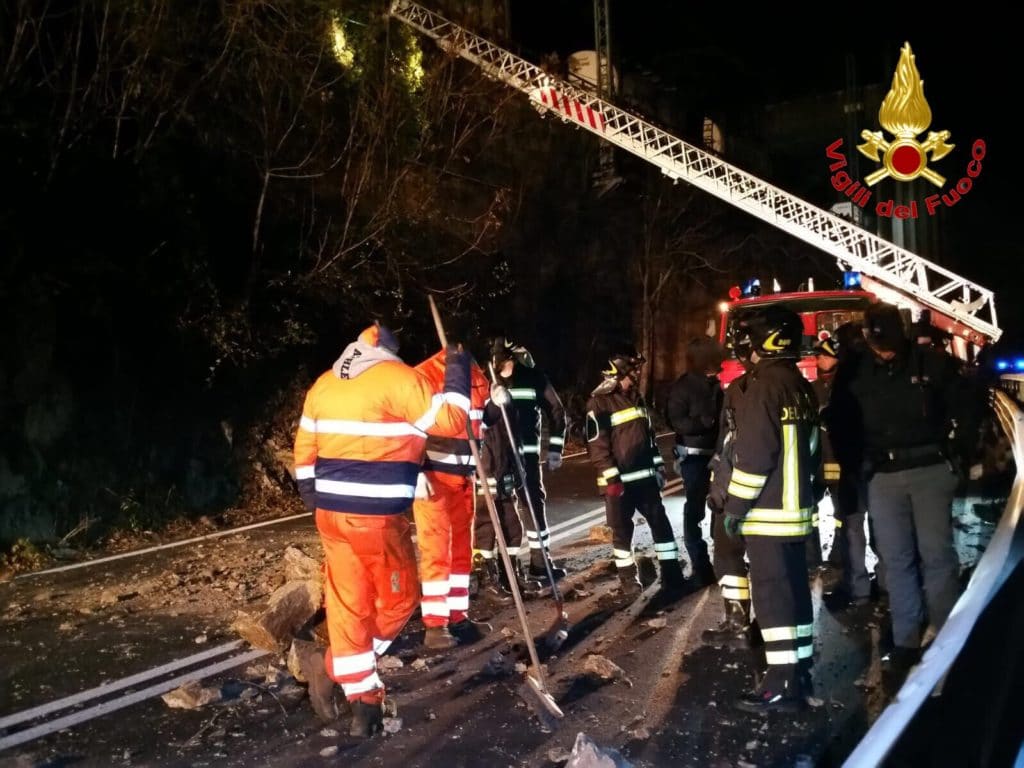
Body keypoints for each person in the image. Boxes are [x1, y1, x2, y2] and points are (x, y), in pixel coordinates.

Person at [293, 323, 469, 737]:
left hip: (331, 515)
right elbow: (453, 418)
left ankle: (364, 706)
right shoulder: (399, 379)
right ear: (389, 350)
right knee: (399, 598)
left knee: (350, 604)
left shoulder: (325, 383)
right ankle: (335, 665)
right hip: (374, 518)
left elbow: (304, 448)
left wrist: (311, 494)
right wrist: (457, 368)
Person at [841, 302, 975, 673]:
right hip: (882, 475)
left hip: (930, 469)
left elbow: (966, 406)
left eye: (890, 343)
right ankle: (906, 640)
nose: (884, 351)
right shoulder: (856, 370)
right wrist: (857, 467)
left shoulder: (932, 364)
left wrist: (959, 453)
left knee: (937, 557)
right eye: (877, 343)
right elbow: (841, 418)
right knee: (896, 559)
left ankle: (948, 637)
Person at [722, 306, 820, 713]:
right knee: (795, 592)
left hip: (767, 513)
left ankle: (779, 684)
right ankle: (798, 670)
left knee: (772, 595)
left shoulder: (762, 387)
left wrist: (735, 506)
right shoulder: (799, 384)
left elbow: (756, 456)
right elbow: (811, 449)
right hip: (796, 511)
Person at [585, 345, 685, 596]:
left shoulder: (636, 399)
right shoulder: (600, 402)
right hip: (618, 484)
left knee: (660, 524)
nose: (638, 374)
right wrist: (611, 479)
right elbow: (597, 446)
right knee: (621, 533)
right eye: (634, 370)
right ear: (621, 372)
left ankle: (672, 574)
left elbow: (649, 439)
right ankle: (628, 582)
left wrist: (659, 467)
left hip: (645, 480)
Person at [412, 349, 491, 649]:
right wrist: (414, 469)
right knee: (436, 550)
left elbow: (481, 422)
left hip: (464, 478)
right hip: (434, 478)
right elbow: (408, 427)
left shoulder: (477, 377)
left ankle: (458, 615)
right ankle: (435, 625)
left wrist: (496, 405)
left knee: (461, 550)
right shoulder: (423, 375)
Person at [489, 336, 568, 584]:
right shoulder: (486, 380)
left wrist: (555, 448)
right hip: (497, 457)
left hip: (527, 457)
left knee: (533, 504)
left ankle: (540, 563)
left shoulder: (533, 377)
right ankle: (503, 570)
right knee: (499, 509)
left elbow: (556, 411)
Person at [703, 317, 756, 648]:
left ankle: (738, 622)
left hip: (739, 493)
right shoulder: (791, 386)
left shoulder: (744, 391)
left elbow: (732, 444)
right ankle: (745, 621)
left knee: (729, 554)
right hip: (759, 494)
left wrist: (721, 490)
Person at [814, 335, 871, 610]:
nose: (818, 360)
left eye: (823, 355)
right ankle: (862, 585)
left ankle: (859, 587)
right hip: (847, 468)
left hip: (850, 469)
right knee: (853, 527)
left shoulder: (844, 388)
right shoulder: (820, 388)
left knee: (853, 527)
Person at [665, 338, 723, 584]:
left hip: (718, 456)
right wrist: (703, 423)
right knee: (695, 509)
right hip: (693, 458)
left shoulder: (715, 386)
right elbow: (675, 421)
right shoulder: (683, 387)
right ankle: (701, 565)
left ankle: (722, 559)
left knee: (721, 507)